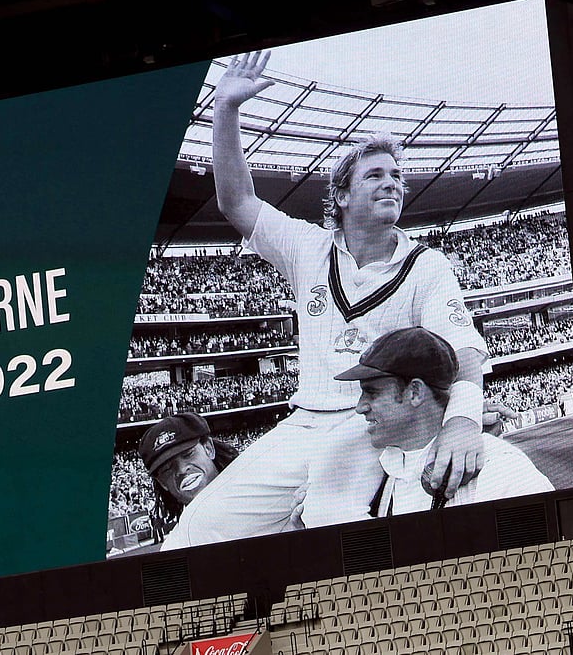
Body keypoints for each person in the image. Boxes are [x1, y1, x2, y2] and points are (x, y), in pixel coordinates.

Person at [160, 51, 489, 549]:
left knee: (331, 529)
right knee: (190, 539)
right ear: (341, 196)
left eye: (397, 176)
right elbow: (236, 201)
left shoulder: (427, 265)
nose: (392, 183)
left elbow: (465, 350)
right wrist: (225, 110)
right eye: (375, 175)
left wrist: (463, 420)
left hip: (375, 424)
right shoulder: (307, 248)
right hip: (305, 421)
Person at [303, 327, 552, 523]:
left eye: (372, 393)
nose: (360, 406)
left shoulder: (498, 467)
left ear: (415, 393)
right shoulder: (381, 475)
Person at [137, 412, 240, 534]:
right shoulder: (177, 545)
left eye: (188, 454)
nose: (181, 469)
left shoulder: (261, 495)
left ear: (208, 448)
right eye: (167, 468)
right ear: (162, 483)